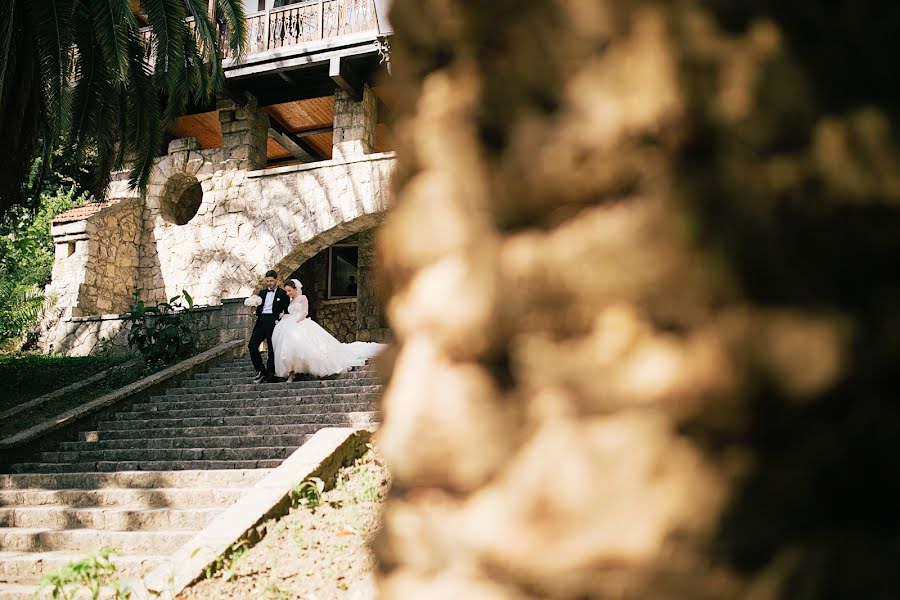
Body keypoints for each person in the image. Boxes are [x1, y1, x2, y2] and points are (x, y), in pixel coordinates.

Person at [272, 279, 385, 380]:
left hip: (301, 322)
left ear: (295, 289)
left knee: (307, 346)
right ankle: (293, 371)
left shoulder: (302, 298)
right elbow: (291, 312)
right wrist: (285, 317)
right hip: (292, 323)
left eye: (289, 290)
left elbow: (305, 311)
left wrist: (297, 321)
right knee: (289, 346)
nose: (288, 293)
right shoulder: (290, 301)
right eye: (286, 291)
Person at [248, 270, 289, 383]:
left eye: (271, 281)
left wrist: (280, 318)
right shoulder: (262, 293)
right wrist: (254, 310)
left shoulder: (282, 293)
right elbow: (258, 310)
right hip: (261, 321)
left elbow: (287, 310)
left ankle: (270, 374)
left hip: (273, 321)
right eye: (267, 281)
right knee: (252, 345)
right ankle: (261, 370)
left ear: (277, 280)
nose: (269, 283)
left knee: (272, 348)